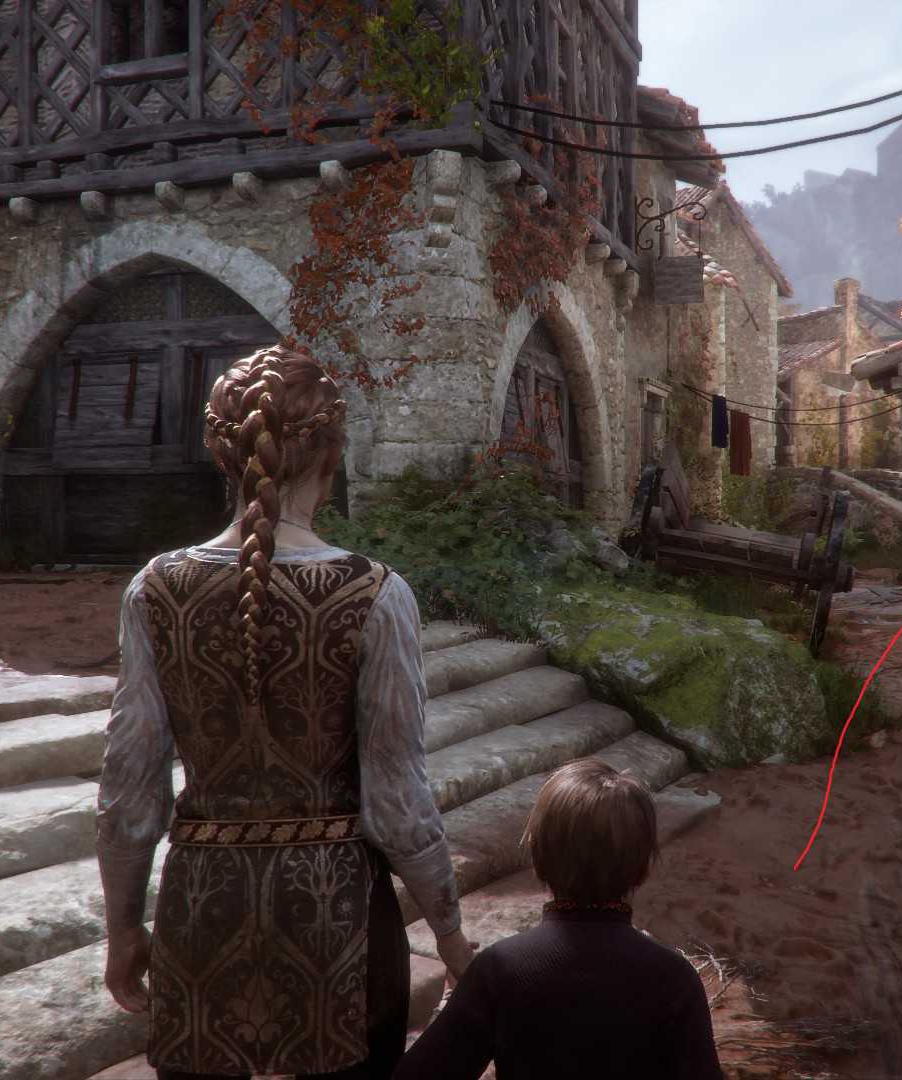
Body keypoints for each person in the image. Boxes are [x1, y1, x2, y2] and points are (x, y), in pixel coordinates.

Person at [94, 345, 476, 1080]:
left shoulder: (154, 589)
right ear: (331, 456)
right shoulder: (377, 594)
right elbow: (398, 802)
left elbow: (129, 786)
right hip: (342, 926)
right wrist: (452, 938)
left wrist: (122, 928)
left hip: (200, 916)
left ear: (223, 456)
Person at [394, 758, 725, 1080]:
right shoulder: (674, 979)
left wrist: (448, 1005)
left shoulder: (499, 970)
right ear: (643, 869)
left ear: (537, 859)